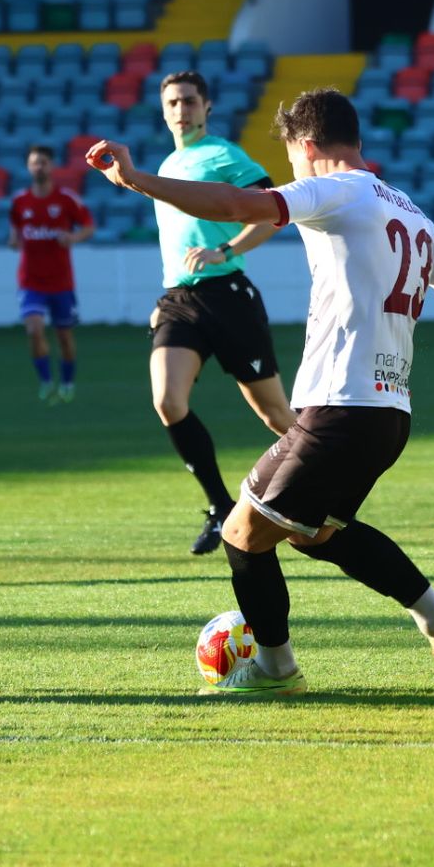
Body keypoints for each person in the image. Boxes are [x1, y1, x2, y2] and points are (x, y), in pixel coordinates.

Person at [86, 88, 434, 697]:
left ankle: (276, 670)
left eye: (291, 157)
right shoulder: (412, 215)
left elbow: (236, 205)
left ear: (308, 145)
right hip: (389, 415)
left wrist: (136, 181)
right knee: (316, 534)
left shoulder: (336, 190)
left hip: (340, 408)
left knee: (241, 534)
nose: (292, 170)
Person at [149, 70, 296, 556]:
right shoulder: (168, 164)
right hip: (179, 300)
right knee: (168, 401)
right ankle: (220, 507)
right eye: (173, 102)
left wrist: (226, 250)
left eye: (190, 101)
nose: (181, 109)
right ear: (163, 110)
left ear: (207, 107)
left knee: (276, 415)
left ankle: (333, 474)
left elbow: (272, 210)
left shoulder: (222, 154)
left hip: (228, 296)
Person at [7, 144, 94, 404]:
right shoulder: (19, 201)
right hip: (30, 280)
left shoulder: (66, 199)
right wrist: (13, 241)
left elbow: (88, 226)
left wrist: (73, 237)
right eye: (35, 162)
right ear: (28, 167)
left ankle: (67, 383)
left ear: (52, 166)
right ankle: (46, 381)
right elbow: (15, 233)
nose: (39, 167)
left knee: (64, 337)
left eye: (43, 162)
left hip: (61, 282)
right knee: (34, 330)